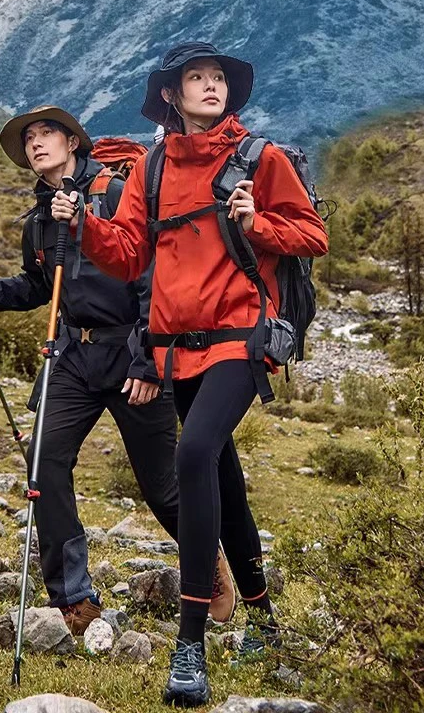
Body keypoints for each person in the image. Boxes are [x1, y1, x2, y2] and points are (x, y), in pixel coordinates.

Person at [51, 45, 329, 706]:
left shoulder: (261, 160)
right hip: (179, 350)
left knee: (195, 454)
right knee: (223, 482)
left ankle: (190, 643)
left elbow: (311, 234)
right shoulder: (151, 168)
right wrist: (84, 224)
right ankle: (264, 618)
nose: (211, 86)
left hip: (241, 338)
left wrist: (255, 223)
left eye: (219, 79)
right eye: (196, 79)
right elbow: (126, 254)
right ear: (171, 96)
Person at [0, 105, 234, 636]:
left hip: (133, 354)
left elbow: (157, 277)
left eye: (46, 134)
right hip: (72, 358)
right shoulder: (39, 217)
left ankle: (206, 561)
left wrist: (151, 359)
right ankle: (74, 599)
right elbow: (38, 285)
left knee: (163, 489)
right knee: (43, 464)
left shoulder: (115, 193)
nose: (36, 144)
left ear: (73, 142)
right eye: (28, 138)